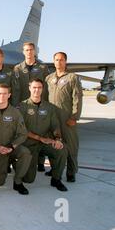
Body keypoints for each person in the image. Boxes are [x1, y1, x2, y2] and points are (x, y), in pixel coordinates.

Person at [19, 79, 68, 191]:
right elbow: (21, 130)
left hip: (45, 143)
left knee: (62, 149)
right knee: (28, 179)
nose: (37, 90)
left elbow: (55, 126)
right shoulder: (22, 106)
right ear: (29, 88)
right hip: (29, 144)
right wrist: (39, 138)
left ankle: (56, 179)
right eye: (34, 87)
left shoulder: (49, 107)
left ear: (42, 89)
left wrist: (57, 139)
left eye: (39, 87)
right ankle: (20, 165)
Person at [0, 84, 32, 195]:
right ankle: (1, 165)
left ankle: (18, 181)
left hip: (11, 147)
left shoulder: (15, 113)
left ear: (9, 95)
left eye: (5, 93)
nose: (2, 96)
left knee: (25, 153)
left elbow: (23, 134)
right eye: (0, 93)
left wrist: (12, 147)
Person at [14, 42, 51, 172]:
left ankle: (41, 162)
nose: (29, 52)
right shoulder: (17, 68)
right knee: (25, 132)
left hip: (39, 104)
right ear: (23, 52)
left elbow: (47, 88)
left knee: (41, 131)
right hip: (24, 106)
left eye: (31, 50)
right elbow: (15, 89)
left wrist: (46, 105)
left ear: (34, 51)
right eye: (26, 50)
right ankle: (28, 159)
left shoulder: (42, 67)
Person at [46, 52, 83, 182]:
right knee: (53, 145)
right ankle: (55, 169)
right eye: (56, 60)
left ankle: (71, 172)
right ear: (53, 62)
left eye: (61, 60)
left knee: (71, 146)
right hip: (52, 118)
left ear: (65, 62)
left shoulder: (72, 78)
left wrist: (74, 117)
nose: (59, 62)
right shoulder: (49, 78)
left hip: (66, 118)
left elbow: (77, 99)